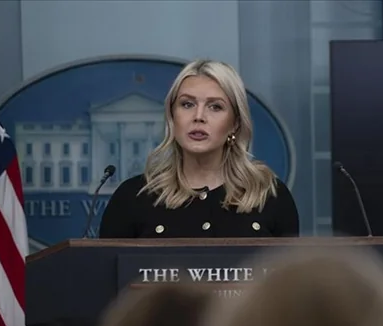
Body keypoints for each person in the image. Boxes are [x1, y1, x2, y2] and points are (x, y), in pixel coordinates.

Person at [98, 59, 299, 238]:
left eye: (215, 107)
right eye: (187, 104)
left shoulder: (270, 196)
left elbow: (291, 269)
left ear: (235, 124)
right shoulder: (132, 197)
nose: (198, 116)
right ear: (172, 117)